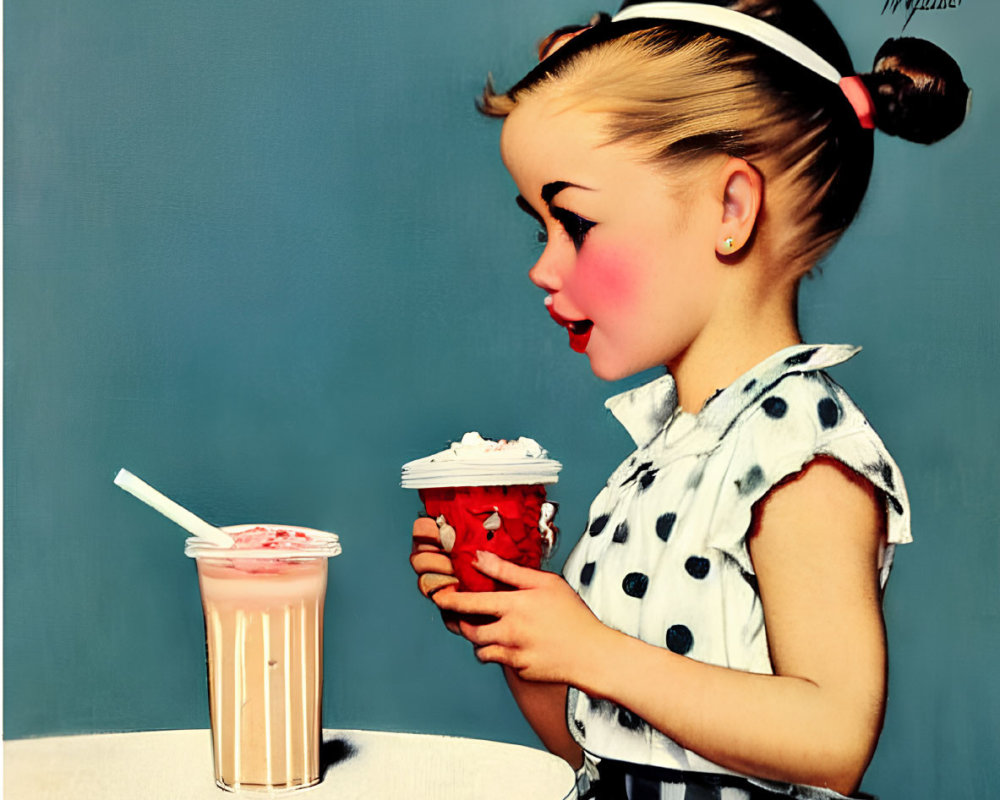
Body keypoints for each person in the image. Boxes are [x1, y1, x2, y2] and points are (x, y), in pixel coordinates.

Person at [410, 2, 969, 798]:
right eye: (542, 232)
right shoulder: (670, 453)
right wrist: (515, 626)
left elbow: (835, 737)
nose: (544, 268)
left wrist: (590, 649)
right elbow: (598, 749)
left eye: (576, 223)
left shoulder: (798, 448)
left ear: (731, 210)